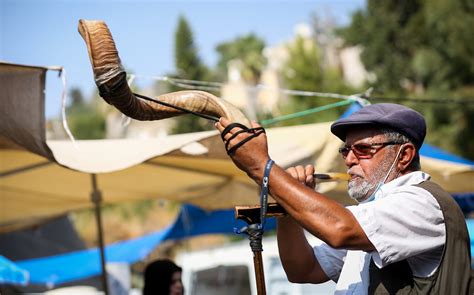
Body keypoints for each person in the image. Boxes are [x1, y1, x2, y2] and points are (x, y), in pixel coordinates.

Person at [215, 103, 472, 294]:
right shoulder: (373, 214)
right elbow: (303, 270)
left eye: (362, 150)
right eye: (346, 150)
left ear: (403, 156)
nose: (349, 159)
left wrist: (262, 167)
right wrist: (287, 209)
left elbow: (338, 230)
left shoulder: (421, 202)